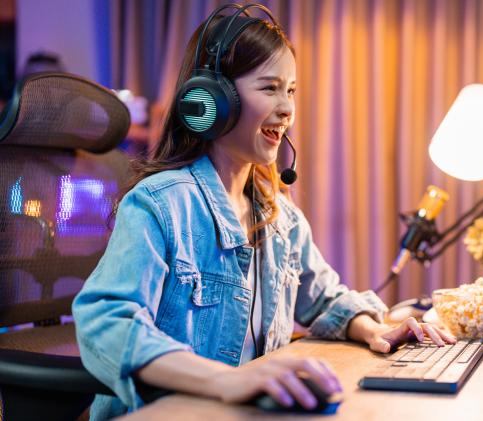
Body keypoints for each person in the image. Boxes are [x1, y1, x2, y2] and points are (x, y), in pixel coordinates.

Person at [72, 4, 456, 419]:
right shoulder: (161, 204)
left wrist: (376, 329)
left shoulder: (279, 217)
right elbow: (107, 325)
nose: (287, 109)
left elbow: (325, 299)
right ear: (214, 99)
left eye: (290, 91)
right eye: (269, 88)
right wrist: (226, 380)